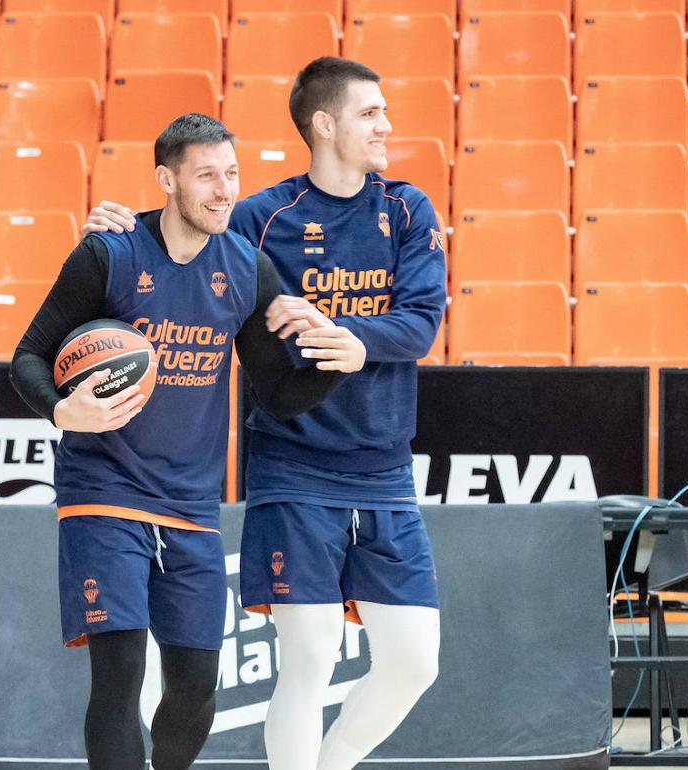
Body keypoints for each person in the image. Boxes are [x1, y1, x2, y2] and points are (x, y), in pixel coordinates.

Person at [83, 58, 447, 770]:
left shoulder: (407, 209)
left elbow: (423, 322)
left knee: (414, 662)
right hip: (291, 465)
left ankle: (333, 764)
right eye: (370, 113)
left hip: (384, 470)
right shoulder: (261, 215)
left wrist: (352, 338)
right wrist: (110, 227)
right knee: (308, 657)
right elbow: (179, 238)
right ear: (325, 124)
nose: (386, 125)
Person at [9, 113, 366, 770]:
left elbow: (277, 392)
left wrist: (336, 365)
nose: (225, 189)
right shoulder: (108, 254)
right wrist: (65, 412)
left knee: (196, 686)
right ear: (166, 179)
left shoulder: (248, 269)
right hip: (103, 489)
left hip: (192, 502)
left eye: (232, 174)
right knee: (119, 673)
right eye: (207, 175)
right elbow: (27, 355)